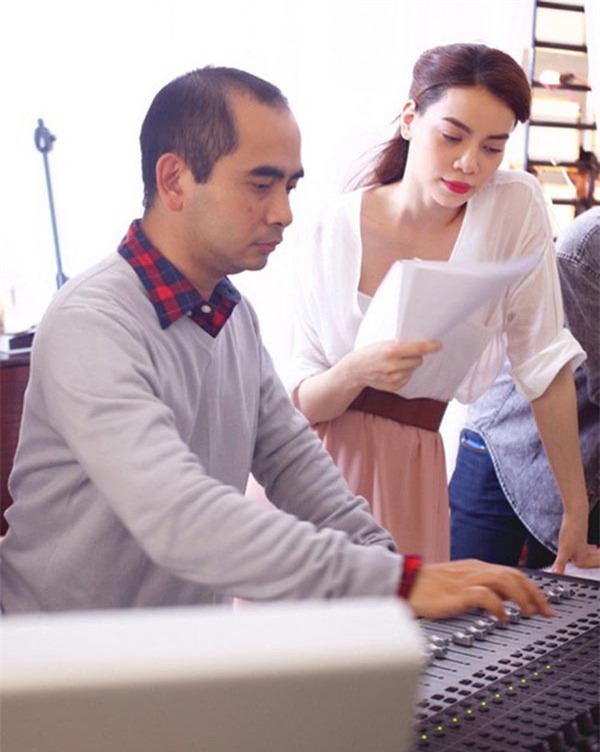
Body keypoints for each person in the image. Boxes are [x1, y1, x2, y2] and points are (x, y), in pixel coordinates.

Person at [0, 66, 551, 622]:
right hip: (60, 653)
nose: (283, 213)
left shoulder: (231, 316)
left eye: (289, 187)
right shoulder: (94, 321)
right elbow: (178, 517)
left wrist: (392, 564)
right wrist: (397, 582)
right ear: (175, 180)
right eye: (260, 185)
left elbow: (293, 462)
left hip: (173, 650)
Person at [285, 42, 598, 570]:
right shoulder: (331, 228)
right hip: (314, 470)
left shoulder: (513, 208)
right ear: (410, 119)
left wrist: (575, 508)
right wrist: (357, 370)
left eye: (493, 148)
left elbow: (544, 364)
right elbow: (300, 403)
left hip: (415, 471)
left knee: (405, 621)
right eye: (452, 136)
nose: (469, 163)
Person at [450, 208, 600, 572]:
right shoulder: (587, 246)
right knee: (475, 596)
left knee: (569, 600)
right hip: (508, 444)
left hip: (588, 462)